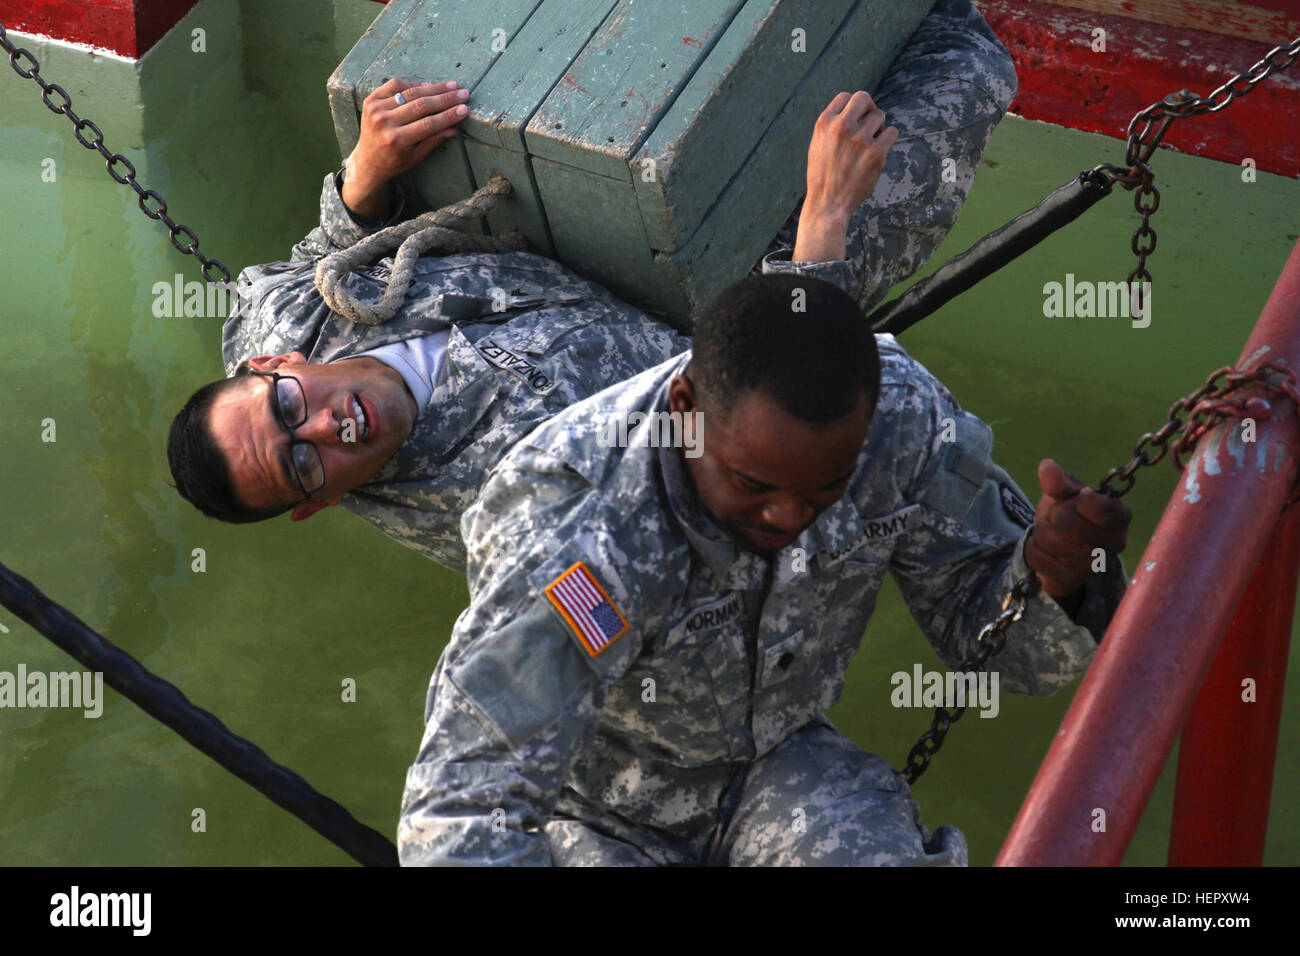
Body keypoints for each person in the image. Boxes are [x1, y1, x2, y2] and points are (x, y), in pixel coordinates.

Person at [168, 0, 1019, 574]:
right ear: (317, 505)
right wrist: (825, 223)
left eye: (287, 410)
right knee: (957, 60)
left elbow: (328, 245)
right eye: (304, 467)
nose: (322, 427)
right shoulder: (515, 508)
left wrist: (365, 176)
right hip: (745, 316)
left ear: (272, 364)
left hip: (582, 209)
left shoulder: (273, 323)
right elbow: (750, 441)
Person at [397, 272, 1133, 866]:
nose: (787, 516)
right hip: (601, 815)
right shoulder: (578, 530)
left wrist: (1053, 575)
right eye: (753, 484)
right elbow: (466, 806)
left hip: (779, 767)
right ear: (686, 408)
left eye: (823, 491)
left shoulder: (905, 424)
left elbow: (996, 640)